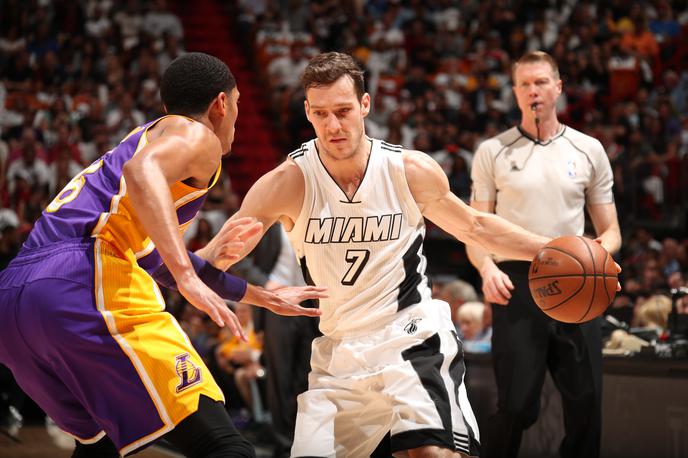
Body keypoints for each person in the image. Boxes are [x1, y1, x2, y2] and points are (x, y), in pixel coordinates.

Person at [201, 51, 552, 458]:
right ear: (306, 112)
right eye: (320, 113)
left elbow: (474, 226)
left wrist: (549, 248)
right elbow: (209, 263)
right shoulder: (285, 183)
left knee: (431, 454)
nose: (332, 125)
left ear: (365, 105)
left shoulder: (408, 170)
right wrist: (187, 260)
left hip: (410, 335)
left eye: (343, 111)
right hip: (339, 351)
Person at [0, 52, 326, 458]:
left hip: (15, 301)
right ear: (221, 104)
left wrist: (257, 294)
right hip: (82, 279)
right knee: (225, 448)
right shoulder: (196, 135)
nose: (237, 120)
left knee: (102, 446)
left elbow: (153, 261)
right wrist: (188, 277)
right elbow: (143, 175)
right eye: (238, 105)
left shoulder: (141, 142)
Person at [467, 51, 622, 458]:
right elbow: (475, 229)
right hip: (516, 281)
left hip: (576, 280)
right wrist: (485, 268)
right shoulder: (492, 152)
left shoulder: (588, 149)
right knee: (516, 406)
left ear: (558, 87)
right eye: (524, 84)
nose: (532, 91)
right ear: (515, 92)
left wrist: (594, 261)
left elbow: (611, 232)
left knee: (586, 405)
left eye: (540, 82)